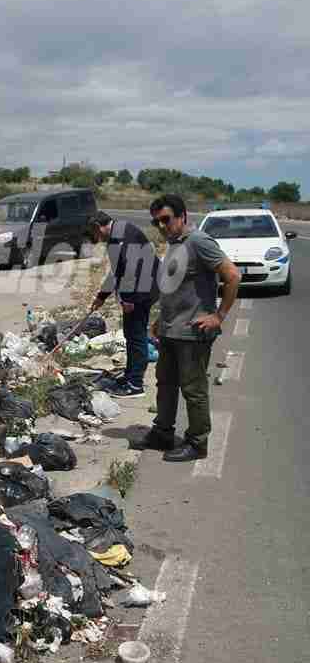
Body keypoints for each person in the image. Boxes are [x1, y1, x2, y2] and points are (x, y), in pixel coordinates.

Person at [144, 193, 240, 462]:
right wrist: (159, 320)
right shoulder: (174, 244)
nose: (162, 226)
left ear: (182, 216)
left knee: (193, 390)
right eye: (156, 222)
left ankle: (197, 443)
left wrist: (218, 316)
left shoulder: (198, 241)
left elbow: (232, 276)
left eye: (166, 219)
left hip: (192, 334)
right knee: (165, 384)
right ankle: (162, 432)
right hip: (170, 331)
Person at [89, 211, 160, 398]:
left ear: (98, 227)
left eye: (94, 234)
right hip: (137, 290)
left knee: (136, 337)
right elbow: (116, 272)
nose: (96, 239)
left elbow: (132, 269)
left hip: (142, 291)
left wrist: (129, 298)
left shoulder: (123, 235)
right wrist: (101, 297)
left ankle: (135, 385)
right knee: (131, 334)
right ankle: (130, 375)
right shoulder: (115, 236)